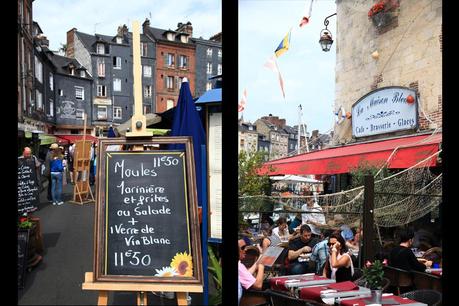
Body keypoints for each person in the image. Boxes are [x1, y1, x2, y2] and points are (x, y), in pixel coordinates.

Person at [238, 238, 265, 305]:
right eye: (243, 248)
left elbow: (246, 275)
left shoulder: (239, 265)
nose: (246, 250)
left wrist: (259, 260)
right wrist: (261, 267)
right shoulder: (239, 267)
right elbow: (258, 285)